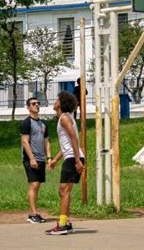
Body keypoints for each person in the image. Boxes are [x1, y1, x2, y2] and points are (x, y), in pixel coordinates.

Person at [45, 91, 85, 235]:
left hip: (73, 158)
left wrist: (76, 161)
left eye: (57, 99)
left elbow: (74, 139)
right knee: (62, 191)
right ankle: (66, 223)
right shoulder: (63, 118)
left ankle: (62, 225)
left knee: (64, 191)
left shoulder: (64, 119)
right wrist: (55, 160)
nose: (55, 101)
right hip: (71, 157)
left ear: (62, 103)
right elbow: (66, 145)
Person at [21, 97, 52, 224]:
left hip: (41, 159)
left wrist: (49, 157)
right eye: (33, 104)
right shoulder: (26, 123)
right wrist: (32, 158)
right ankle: (33, 214)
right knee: (33, 184)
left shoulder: (43, 124)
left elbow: (46, 142)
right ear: (28, 107)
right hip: (31, 159)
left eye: (38, 103)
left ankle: (32, 212)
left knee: (37, 185)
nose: (37, 105)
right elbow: (24, 142)